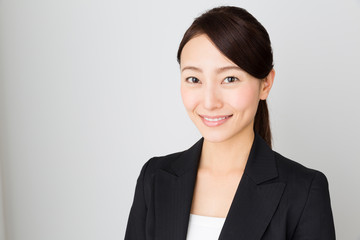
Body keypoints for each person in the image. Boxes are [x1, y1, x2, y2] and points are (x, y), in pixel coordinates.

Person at [125, 6, 336, 240]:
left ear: (265, 84)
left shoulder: (304, 191)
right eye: (194, 79)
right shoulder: (154, 178)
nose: (209, 101)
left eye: (230, 79)